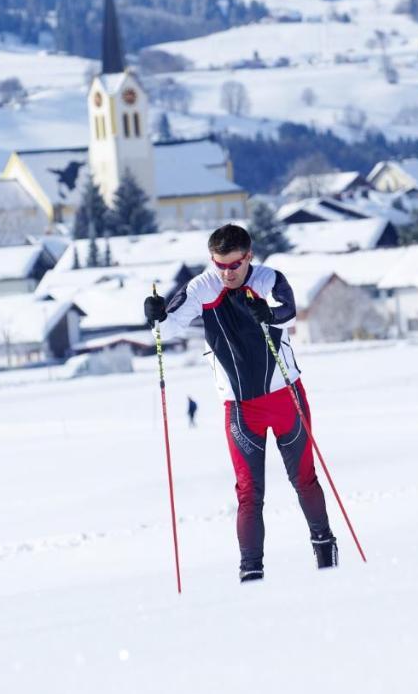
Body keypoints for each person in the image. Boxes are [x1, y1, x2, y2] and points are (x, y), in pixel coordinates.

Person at [144, 224, 338, 582]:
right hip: (240, 408)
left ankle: (325, 548)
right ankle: (251, 573)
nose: (227, 273)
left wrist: (269, 314)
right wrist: (156, 314)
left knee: (304, 479)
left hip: (285, 398)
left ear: (249, 256)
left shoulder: (267, 279)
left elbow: (290, 311)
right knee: (249, 493)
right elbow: (166, 330)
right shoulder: (202, 287)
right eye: (220, 265)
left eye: (235, 265)